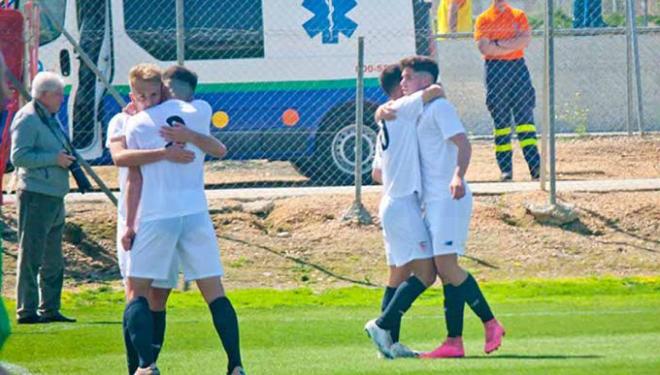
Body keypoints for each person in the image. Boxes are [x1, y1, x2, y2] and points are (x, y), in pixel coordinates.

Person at [121, 66, 244, 375]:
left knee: (137, 291)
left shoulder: (136, 124)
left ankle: (145, 366)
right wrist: (187, 136)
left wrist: (130, 223)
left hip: (156, 213)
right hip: (195, 213)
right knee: (214, 291)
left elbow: (132, 176)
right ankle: (236, 364)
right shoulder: (199, 109)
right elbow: (218, 148)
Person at [391, 56, 504, 359]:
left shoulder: (440, 108)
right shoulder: (418, 108)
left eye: (408, 77)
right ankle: (453, 342)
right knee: (443, 270)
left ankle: (490, 322)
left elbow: (464, 144)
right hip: (433, 201)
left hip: (449, 198)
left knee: (447, 266)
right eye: (401, 78)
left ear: (425, 81)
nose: (403, 83)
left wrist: (458, 176)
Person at [106, 63, 196, 375]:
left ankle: (152, 362)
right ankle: (139, 366)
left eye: (153, 94)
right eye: (141, 95)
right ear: (131, 94)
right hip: (135, 217)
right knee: (136, 292)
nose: (146, 100)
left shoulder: (168, 118)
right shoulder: (121, 120)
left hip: (169, 215)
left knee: (161, 293)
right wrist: (163, 152)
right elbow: (120, 157)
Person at [364, 65, 444, 359]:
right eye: (405, 79)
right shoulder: (403, 106)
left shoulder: (388, 116)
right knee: (427, 273)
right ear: (398, 88)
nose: (408, 83)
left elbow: (375, 173)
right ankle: (382, 325)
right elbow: (437, 90)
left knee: (397, 275)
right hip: (403, 203)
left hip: (391, 202)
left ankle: (391, 345)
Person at [10, 71, 76, 324]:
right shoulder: (27, 118)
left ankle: (50, 307)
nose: (62, 98)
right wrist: (54, 160)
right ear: (45, 94)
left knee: (53, 256)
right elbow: (19, 157)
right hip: (36, 193)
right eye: (58, 93)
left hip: (54, 193)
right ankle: (26, 310)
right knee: (32, 253)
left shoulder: (48, 117)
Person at [474, 0, 540, 181]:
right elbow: (484, 47)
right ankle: (506, 170)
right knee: (501, 121)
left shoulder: (518, 15)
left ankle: (536, 168)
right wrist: (511, 43)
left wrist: (497, 43)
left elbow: (525, 40)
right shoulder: (484, 19)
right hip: (495, 70)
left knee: (525, 120)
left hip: (518, 68)